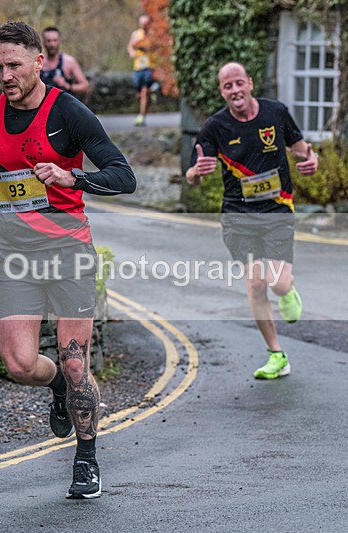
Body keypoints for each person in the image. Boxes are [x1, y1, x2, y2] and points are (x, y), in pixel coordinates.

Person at [0, 21, 135, 499]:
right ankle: (57, 382)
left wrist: (70, 178)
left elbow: (124, 177)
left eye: (14, 65)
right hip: (15, 255)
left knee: (78, 362)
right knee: (20, 364)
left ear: (39, 61)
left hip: (68, 251)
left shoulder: (70, 113)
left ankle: (86, 459)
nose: (4, 74)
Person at [184, 61, 318, 380]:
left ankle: (287, 291)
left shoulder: (276, 113)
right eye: (228, 86)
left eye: (239, 83)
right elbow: (191, 174)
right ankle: (276, 354)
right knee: (256, 284)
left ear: (250, 83)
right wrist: (195, 174)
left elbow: (302, 150)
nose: (235, 91)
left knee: (279, 281)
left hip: (276, 212)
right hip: (237, 217)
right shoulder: (214, 127)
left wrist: (311, 161)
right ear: (222, 91)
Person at [126, 15, 159, 127]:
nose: (144, 25)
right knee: (140, 94)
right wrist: (132, 53)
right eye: (142, 23)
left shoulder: (153, 35)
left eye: (146, 23)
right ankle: (150, 97)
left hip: (149, 66)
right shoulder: (136, 34)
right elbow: (130, 47)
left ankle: (141, 116)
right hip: (138, 67)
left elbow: (159, 49)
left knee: (144, 91)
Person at [39, 27, 89, 97]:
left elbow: (85, 86)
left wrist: (67, 86)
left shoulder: (69, 61)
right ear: (43, 42)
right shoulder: (38, 61)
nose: (52, 44)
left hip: (62, 105)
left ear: (59, 41)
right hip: (41, 106)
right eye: (49, 41)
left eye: (55, 40)